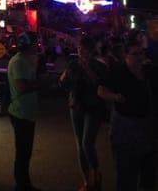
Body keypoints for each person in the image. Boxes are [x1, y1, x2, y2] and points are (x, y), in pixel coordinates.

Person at [98, 35, 158, 191]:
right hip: (125, 128)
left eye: (141, 53)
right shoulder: (118, 72)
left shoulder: (150, 71)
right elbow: (101, 90)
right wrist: (115, 97)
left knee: (149, 171)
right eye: (135, 54)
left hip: (148, 127)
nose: (139, 57)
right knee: (126, 173)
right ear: (125, 56)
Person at [59, 35, 108, 191]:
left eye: (85, 50)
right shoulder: (73, 64)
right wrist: (63, 78)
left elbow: (100, 85)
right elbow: (64, 85)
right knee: (80, 144)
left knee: (87, 143)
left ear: (91, 51)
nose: (82, 52)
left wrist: (87, 68)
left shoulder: (99, 65)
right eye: (80, 49)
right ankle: (87, 181)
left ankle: (96, 173)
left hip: (93, 108)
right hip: (76, 107)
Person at [7, 31, 42, 191]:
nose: (38, 45)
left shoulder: (26, 60)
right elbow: (22, 87)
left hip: (27, 111)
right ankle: (21, 185)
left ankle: (24, 183)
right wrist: (41, 84)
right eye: (35, 42)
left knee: (25, 151)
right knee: (23, 151)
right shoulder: (18, 62)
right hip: (20, 111)